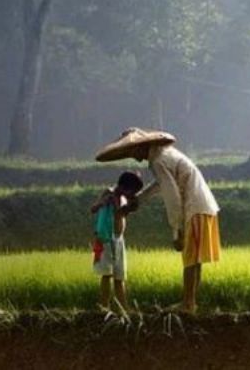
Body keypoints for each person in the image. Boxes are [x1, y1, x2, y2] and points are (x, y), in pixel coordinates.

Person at [95, 128, 221, 313]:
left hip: (194, 206)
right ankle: (191, 302)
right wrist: (138, 200)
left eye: (133, 151)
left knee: (189, 257)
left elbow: (172, 196)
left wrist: (176, 230)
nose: (135, 157)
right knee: (195, 259)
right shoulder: (165, 154)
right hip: (204, 205)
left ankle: (187, 303)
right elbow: (161, 184)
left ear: (142, 146)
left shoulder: (158, 161)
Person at [90, 170, 143, 310]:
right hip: (106, 239)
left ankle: (123, 310)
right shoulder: (109, 192)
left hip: (119, 240)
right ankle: (104, 308)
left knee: (120, 276)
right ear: (125, 187)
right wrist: (104, 202)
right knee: (107, 275)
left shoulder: (124, 199)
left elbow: (121, 213)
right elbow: (93, 209)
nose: (133, 195)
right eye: (132, 191)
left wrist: (129, 205)